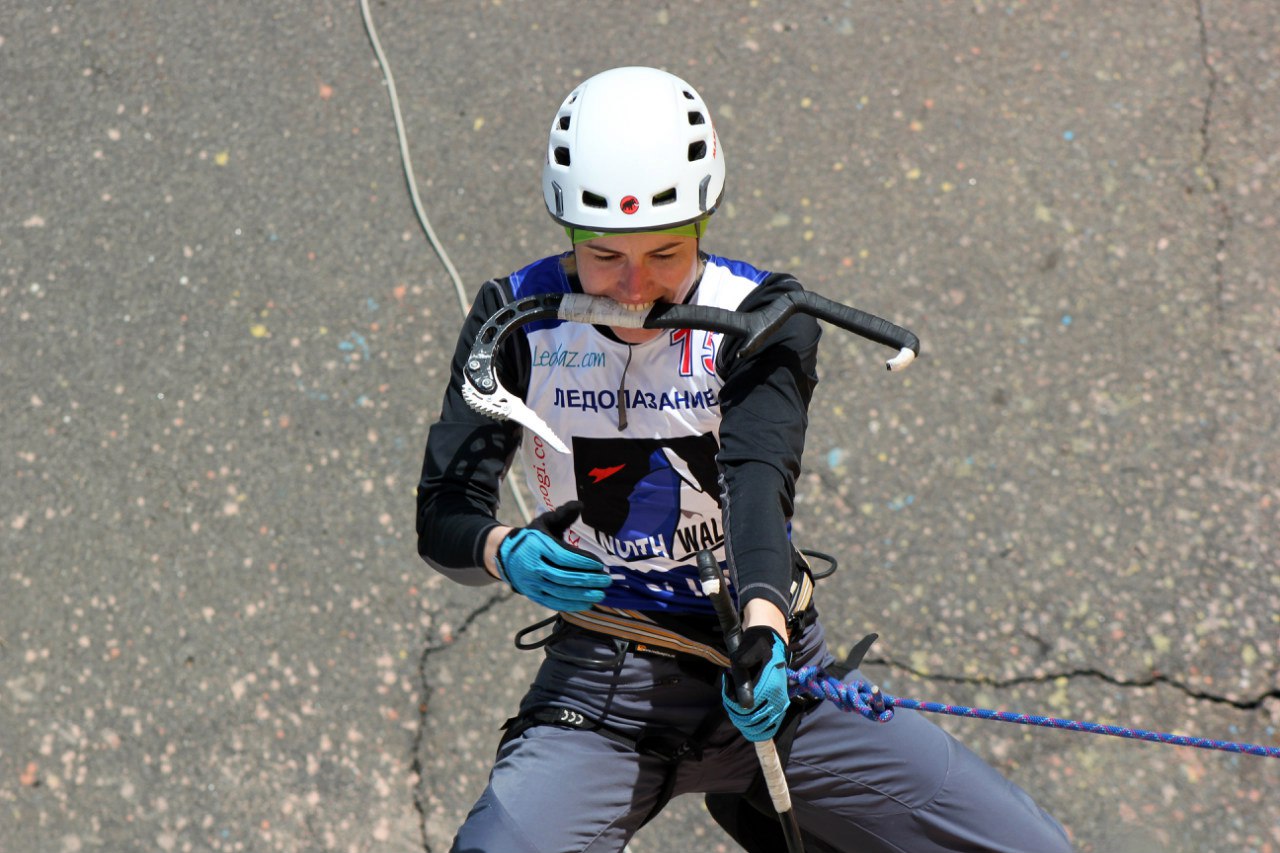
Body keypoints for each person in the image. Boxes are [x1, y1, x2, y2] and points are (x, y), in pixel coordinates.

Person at [417, 66, 1072, 853]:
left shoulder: (765, 314)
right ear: (566, 238)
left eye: (666, 254)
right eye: (603, 258)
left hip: (767, 668)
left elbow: (759, 479)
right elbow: (443, 511)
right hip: (602, 689)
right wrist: (501, 549)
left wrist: (763, 623)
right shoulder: (513, 319)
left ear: (703, 222)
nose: (635, 291)